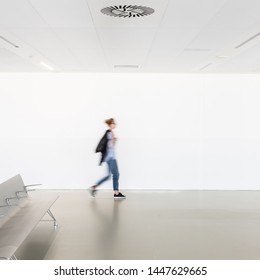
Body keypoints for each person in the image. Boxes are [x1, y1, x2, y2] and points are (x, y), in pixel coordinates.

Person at [89, 118, 126, 199]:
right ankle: (116, 193)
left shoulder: (110, 133)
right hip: (110, 158)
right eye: (113, 123)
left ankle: (94, 187)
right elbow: (108, 145)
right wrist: (113, 140)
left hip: (110, 157)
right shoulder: (109, 133)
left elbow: (110, 145)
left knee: (109, 175)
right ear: (110, 124)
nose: (115, 124)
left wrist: (114, 140)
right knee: (115, 174)